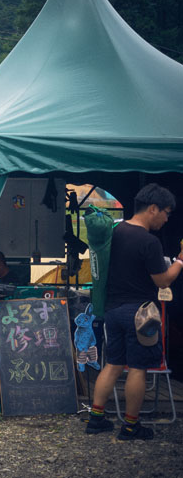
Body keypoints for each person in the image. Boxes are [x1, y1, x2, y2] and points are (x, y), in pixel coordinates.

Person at [85, 184, 183, 440]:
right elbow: (162, 281)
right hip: (140, 313)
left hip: (112, 310)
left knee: (113, 364)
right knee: (138, 368)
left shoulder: (114, 231)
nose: (166, 218)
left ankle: (96, 419)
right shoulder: (149, 241)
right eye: (166, 212)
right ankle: (130, 426)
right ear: (153, 208)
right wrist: (181, 261)